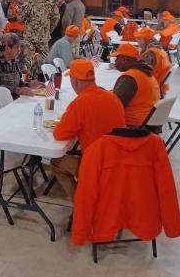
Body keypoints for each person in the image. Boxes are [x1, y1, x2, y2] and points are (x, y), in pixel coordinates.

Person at [50, 59, 126, 187]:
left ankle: (81, 202)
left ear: (74, 81)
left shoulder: (80, 103)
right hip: (121, 161)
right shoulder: (112, 97)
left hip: (96, 166)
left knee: (56, 162)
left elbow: (59, 134)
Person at [111, 43, 160, 127]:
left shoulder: (130, 78)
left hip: (132, 125)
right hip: (147, 121)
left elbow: (115, 106)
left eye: (116, 58)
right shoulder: (145, 72)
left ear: (124, 59)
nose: (115, 61)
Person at [0, 33, 43, 99]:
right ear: (7, 48)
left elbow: (18, 83)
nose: (20, 50)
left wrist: (29, 85)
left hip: (13, 99)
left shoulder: (14, 61)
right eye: (17, 47)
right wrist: (17, 90)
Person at [19, 0, 59, 74]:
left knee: (28, 60)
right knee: (44, 58)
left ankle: (28, 79)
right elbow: (56, 18)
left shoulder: (29, 1)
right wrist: (48, 30)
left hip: (29, 37)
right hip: (44, 37)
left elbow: (21, 18)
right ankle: (42, 77)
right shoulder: (50, 1)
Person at [136, 27, 172, 96]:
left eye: (139, 38)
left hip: (153, 87)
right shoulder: (158, 47)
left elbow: (140, 71)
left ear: (145, 40)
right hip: (159, 84)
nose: (137, 40)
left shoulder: (150, 53)